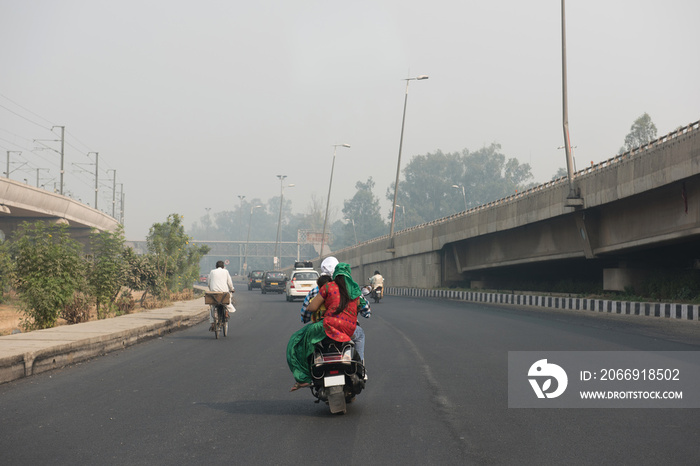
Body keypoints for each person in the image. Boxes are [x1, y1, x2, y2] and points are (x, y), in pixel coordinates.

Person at [287, 262, 363, 391]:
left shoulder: (328, 287)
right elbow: (361, 307)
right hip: (349, 329)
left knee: (296, 341)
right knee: (360, 335)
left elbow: (312, 307)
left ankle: (303, 377)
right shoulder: (355, 289)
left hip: (329, 326)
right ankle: (360, 365)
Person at [207, 260, 235, 331]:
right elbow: (229, 282)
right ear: (223, 267)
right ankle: (226, 312)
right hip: (224, 293)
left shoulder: (212, 272)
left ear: (216, 267)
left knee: (212, 307)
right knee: (227, 302)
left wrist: (211, 290)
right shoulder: (226, 271)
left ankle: (212, 323)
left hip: (214, 294)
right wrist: (232, 289)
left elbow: (209, 283)